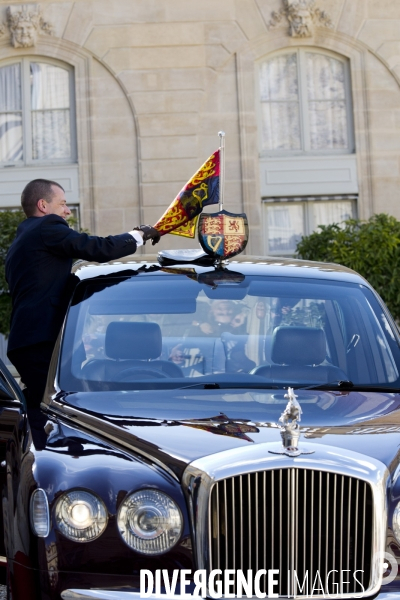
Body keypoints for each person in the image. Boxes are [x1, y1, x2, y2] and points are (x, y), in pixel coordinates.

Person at [6, 178, 160, 409]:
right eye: (63, 204)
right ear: (43, 206)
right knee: (57, 411)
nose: (67, 211)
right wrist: (138, 235)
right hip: (43, 340)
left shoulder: (24, 240)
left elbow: (60, 285)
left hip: (30, 339)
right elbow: (98, 248)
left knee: (44, 407)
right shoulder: (47, 227)